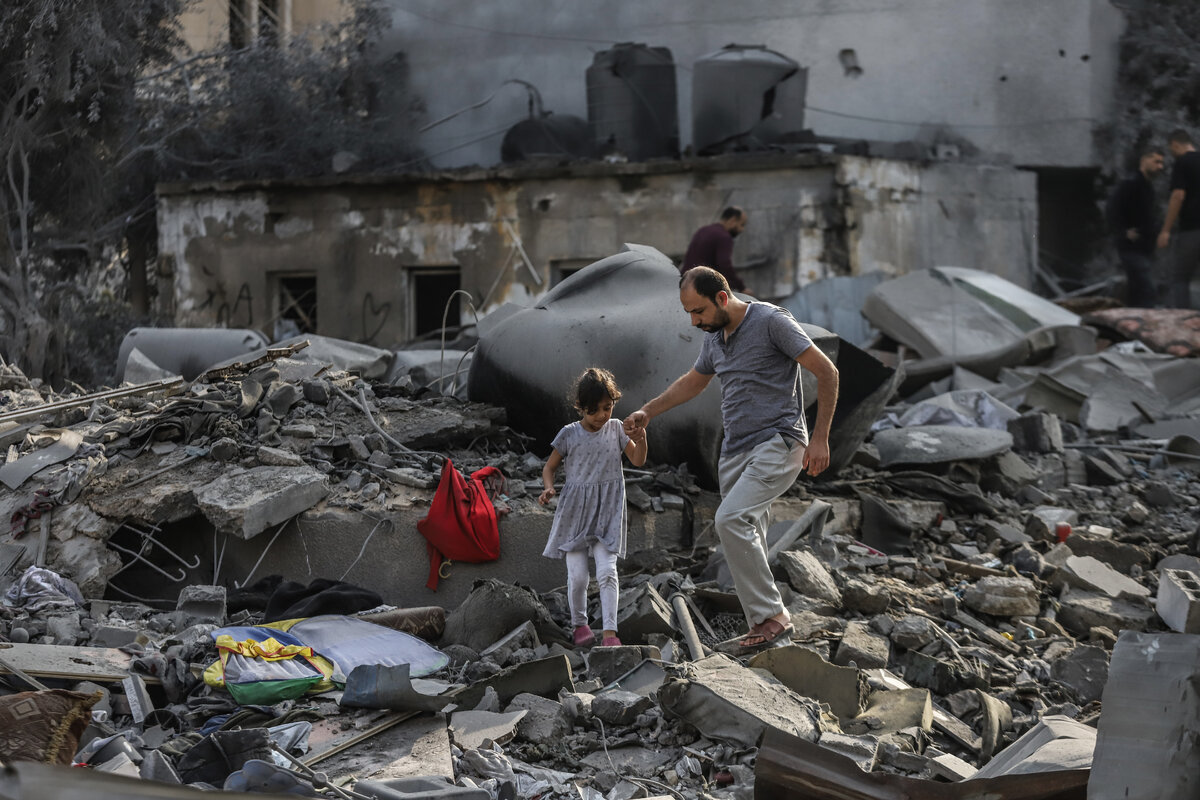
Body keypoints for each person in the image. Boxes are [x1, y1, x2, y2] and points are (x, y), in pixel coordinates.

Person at [623, 267, 839, 651]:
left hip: (778, 441)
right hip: (735, 451)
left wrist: (820, 438)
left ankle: (773, 617)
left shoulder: (771, 322)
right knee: (749, 533)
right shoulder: (714, 338)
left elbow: (827, 372)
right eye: (689, 313)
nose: (694, 322)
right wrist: (648, 411)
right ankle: (767, 635)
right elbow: (693, 382)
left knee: (731, 520)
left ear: (722, 298)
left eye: (699, 311)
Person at [539, 367, 648, 648]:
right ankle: (580, 625)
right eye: (594, 410)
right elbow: (549, 467)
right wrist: (548, 487)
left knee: (607, 572)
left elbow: (637, 460)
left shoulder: (617, 429)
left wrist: (642, 438)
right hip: (575, 515)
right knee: (578, 577)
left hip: (607, 512)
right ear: (580, 407)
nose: (602, 415)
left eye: (607, 407)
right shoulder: (569, 434)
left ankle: (610, 634)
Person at [1107, 147, 1164, 307]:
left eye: (1161, 163)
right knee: (1147, 290)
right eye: (1156, 161)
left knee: (1137, 290)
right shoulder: (1130, 184)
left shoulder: (1147, 187)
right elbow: (1112, 209)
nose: (1160, 166)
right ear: (1144, 160)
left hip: (1144, 247)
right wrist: (1123, 232)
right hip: (1131, 247)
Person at [1158, 129, 1200, 308]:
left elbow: (1178, 196)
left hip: (1192, 229)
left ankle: (1183, 320)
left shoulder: (1182, 162)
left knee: (1180, 278)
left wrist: (1166, 230)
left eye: (1171, 150)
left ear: (1175, 144)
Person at [681, 206, 751, 294]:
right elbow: (724, 264)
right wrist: (741, 287)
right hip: (703, 287)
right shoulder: (724, 237)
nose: (742, 229)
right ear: (733, 220)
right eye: (741, 225)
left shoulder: (703, 230)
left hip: (685, 283)